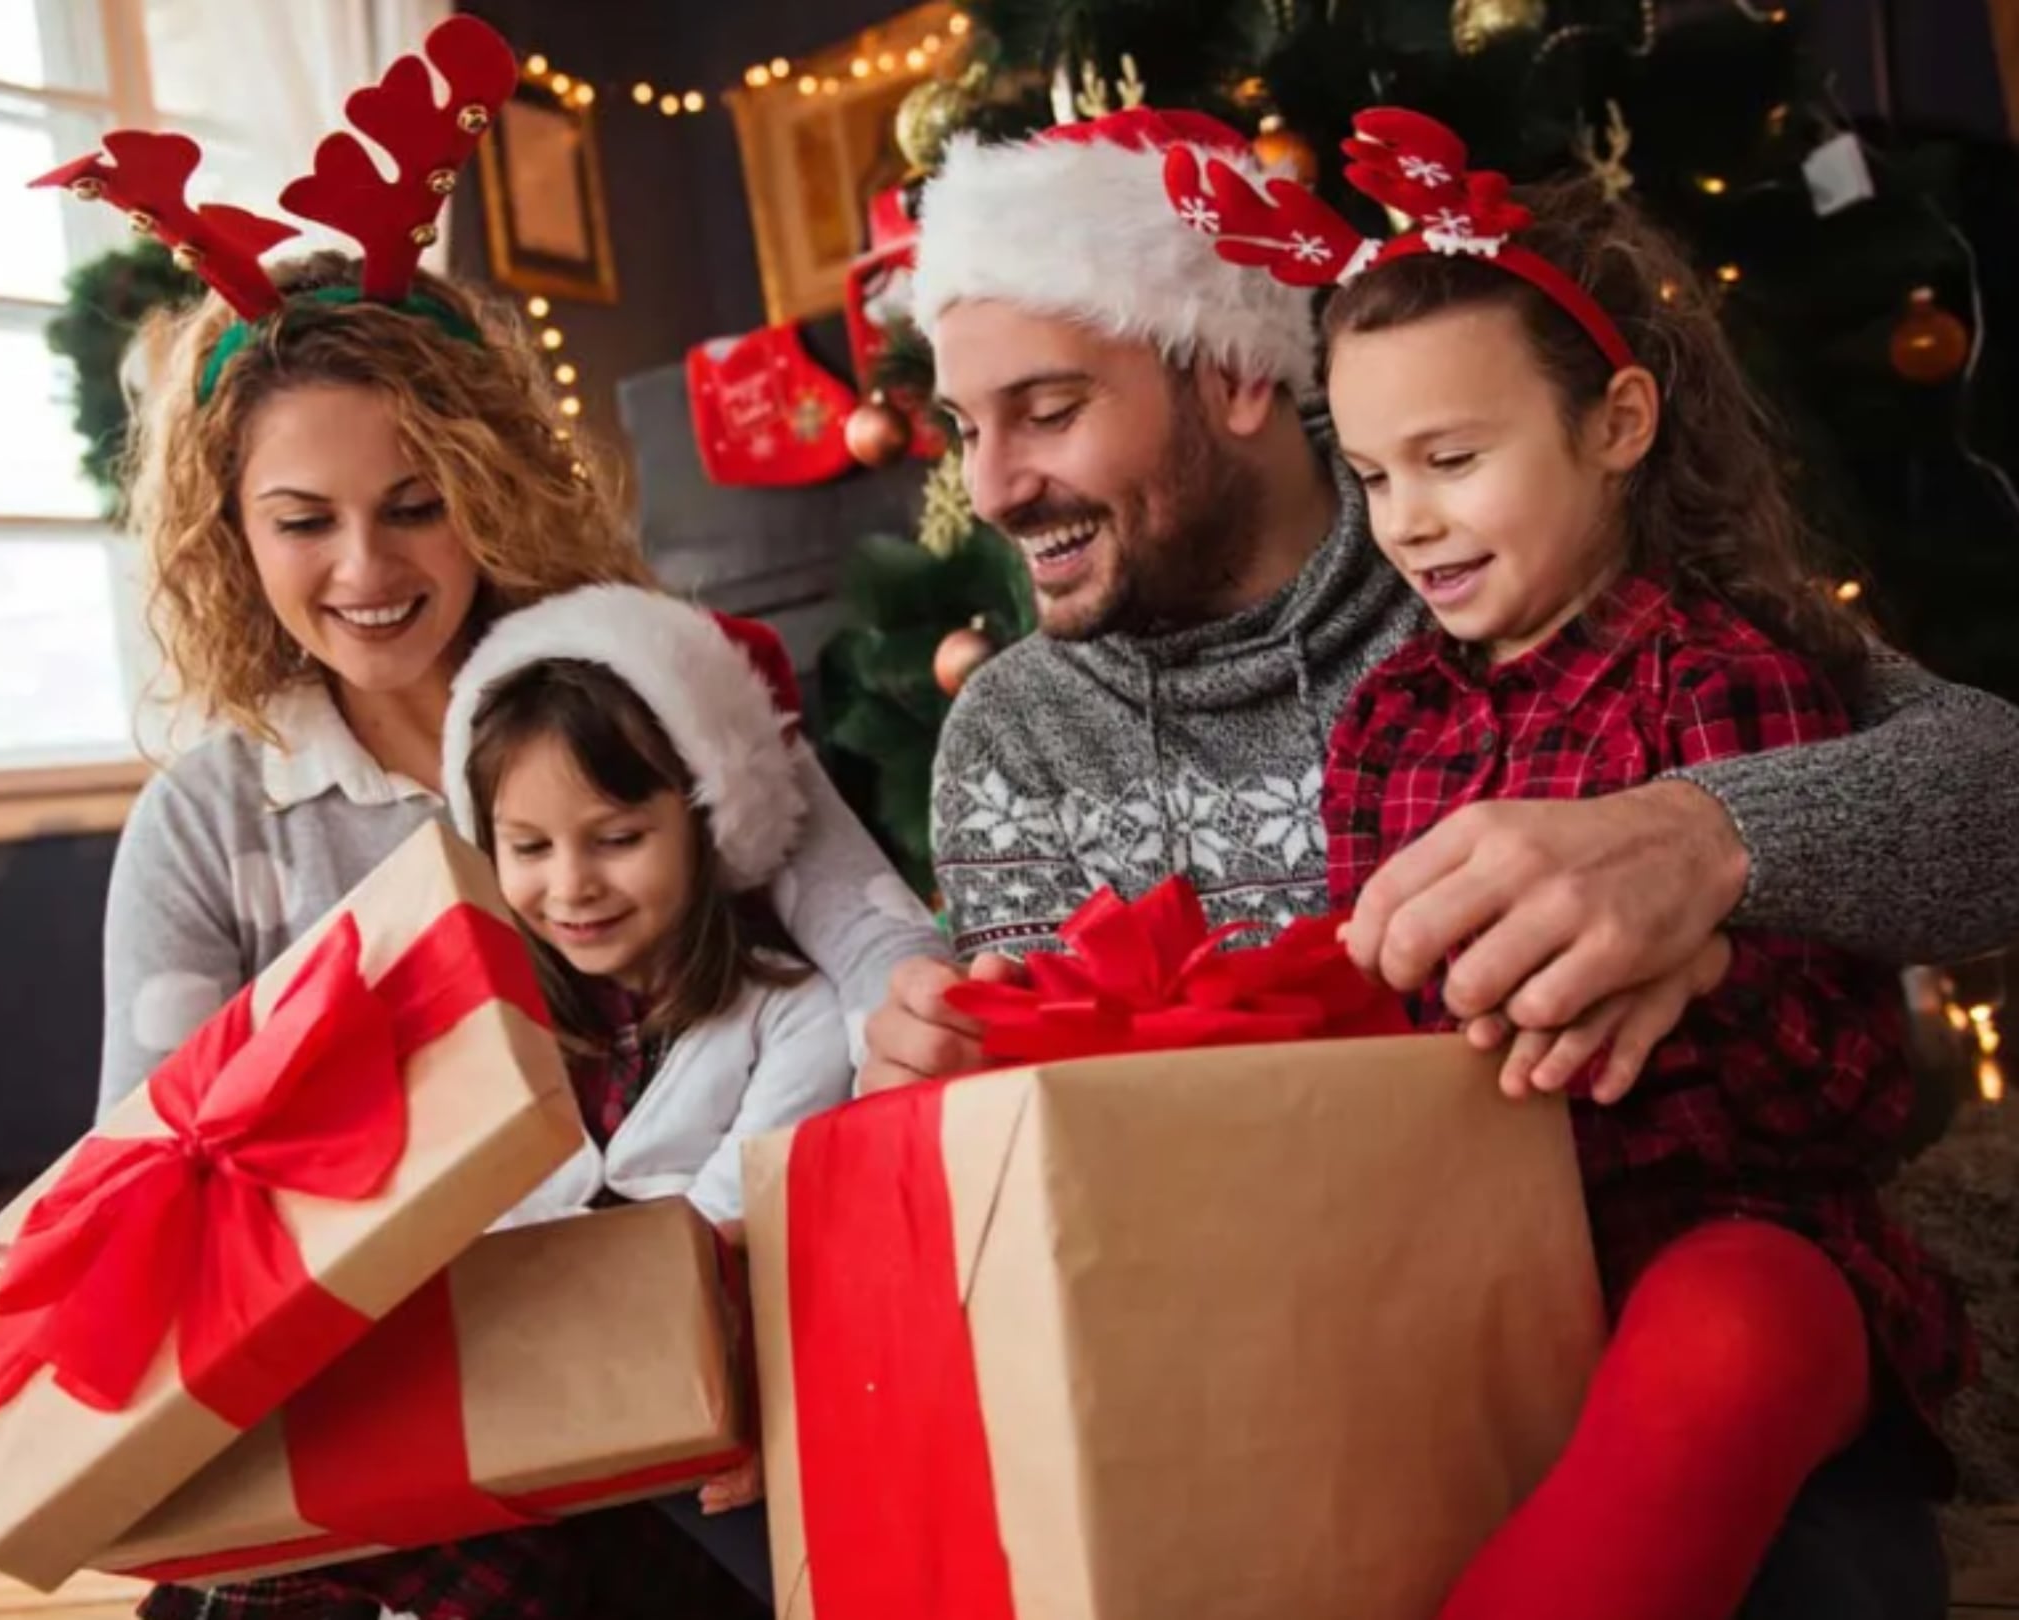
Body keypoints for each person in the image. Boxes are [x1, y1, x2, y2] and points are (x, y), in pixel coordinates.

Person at [863, 105, 2019, 1616]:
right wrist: (934, 1071)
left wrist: (1709, 836)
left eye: (1050, 410)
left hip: (1677, 1275)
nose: (997, 487)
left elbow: (1993, 789)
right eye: (966, 429)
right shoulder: (1012, 735)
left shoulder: (1532, 562)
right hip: (1287, 1360)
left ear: (1232, 375)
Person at [0, 28, 938, 1616]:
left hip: (662, 1386)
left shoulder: (632, 692)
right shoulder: (214, 820)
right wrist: (26, 1274)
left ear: (490, 483)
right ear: (227, 533)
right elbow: (153, 1168)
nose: (365, 571)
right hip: (365, 1416)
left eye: (415, 504)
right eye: (300, 522)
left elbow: (870, 938)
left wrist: (916, 1034)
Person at [1250, 109, 1966, 1619]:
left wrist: (1700, 974)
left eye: (1453, 459)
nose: (1409, 522)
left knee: (1736, 1324)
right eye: (1372, 476)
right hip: (1487, 1255)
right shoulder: (1384, 726)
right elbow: (1376, 1028)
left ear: (1619, 422)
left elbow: (1850, 1094)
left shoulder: (1720, 677)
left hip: (1738, 1242)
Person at [443, 584, 871, 1600]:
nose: (570, 887)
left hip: (720, 1405)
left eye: (617, 838)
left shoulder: (796, 1015)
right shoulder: (489, 1026)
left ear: (708, 822)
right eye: (529, 848)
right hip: (526, 1411)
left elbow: (731, 1234)